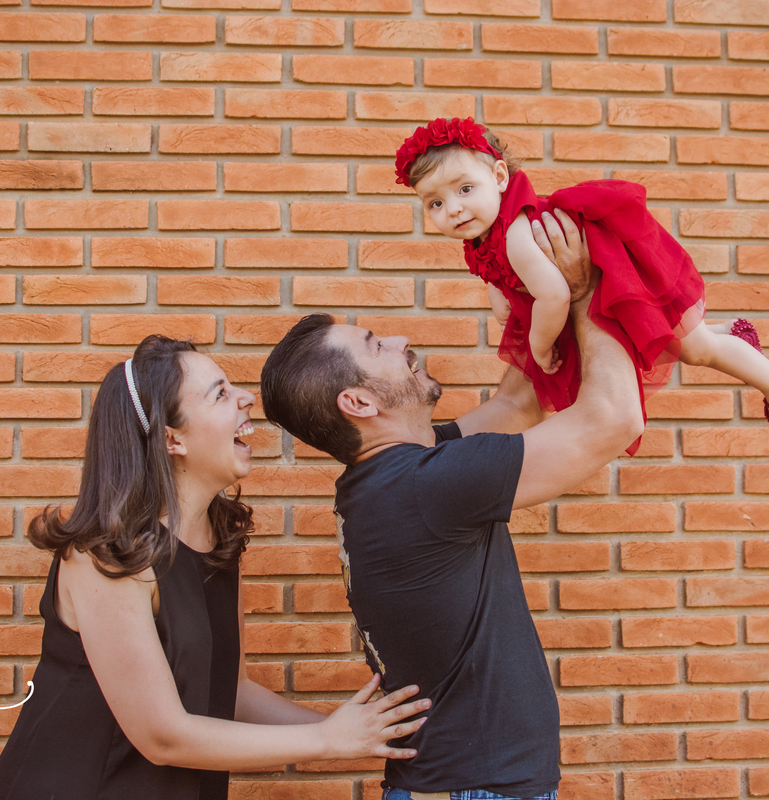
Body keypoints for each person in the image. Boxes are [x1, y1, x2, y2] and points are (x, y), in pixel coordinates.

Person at [259, 214, 644, 800]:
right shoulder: (427, 484)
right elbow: (614, 419)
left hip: (454, 787)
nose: (400, 340)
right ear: (358, 401)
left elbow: (517, 404)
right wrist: (591, 290)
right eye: (375, 346)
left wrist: (542, 291)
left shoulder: (386, 478)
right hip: (476, 790)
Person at [0, 335, 430, 800]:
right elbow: (163, 736)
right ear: (172, 438)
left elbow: (228, 692)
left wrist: (364, 734)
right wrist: (328, 741)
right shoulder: (103, 555)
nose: (245, 398)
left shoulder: (220, 540)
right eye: (219, 393)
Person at [395, 116, 769, 451]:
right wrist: (498, 291)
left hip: (620, 270)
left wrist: (539, 346)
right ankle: (731, 334)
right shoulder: (484, 233)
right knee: (675, 339)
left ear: (500, 176)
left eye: (465, 189)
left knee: (697, 349)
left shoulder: (517, 235)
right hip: (607, 278)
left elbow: (554, 295)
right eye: (435, 203)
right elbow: (497, 269)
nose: (454, 208)